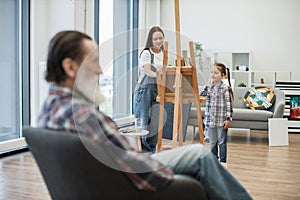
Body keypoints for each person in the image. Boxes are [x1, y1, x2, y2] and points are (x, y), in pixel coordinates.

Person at [37, 30, 252, 200]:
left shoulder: (51, 108)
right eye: (94, 61)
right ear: (70, 66)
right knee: (199, 155)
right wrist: (173, 177)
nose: (101, 71)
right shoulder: (83, 114)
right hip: (133, 175)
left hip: (121, 170)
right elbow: (137, 173)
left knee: (194, 152)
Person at [133, 26, 164, 153]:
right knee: (143, 121)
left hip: (158, 89)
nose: (158, 41)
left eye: (160, 38)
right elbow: (147, 71)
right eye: (155, 38)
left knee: (155, 123)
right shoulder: (146, 53)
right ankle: (143, 152)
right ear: (151, 40)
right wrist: (159, 74)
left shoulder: (163, 54)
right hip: (144, 90)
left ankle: (152, 151)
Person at [200, 62, 234, 168]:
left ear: (223, 75)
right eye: (211, 72)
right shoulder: (208, 87)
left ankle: (223, 162)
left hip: (221, 120)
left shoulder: (225, 88)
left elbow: (229, 105)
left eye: (216, 73)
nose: (213, 75)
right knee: (212, 141)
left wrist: (228, 119)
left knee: (222, 141)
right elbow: (201, 95)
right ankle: (214, 162)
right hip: (210, 120)